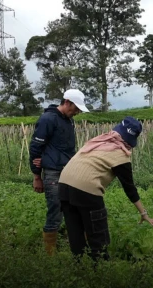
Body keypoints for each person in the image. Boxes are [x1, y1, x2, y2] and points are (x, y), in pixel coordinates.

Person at [57, 116, 153, 262]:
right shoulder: (120, 155)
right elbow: (129, 188)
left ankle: (79, 269)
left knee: (75, 234)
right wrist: (143, 213)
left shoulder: (99, 141)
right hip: (86, 189)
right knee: (99, 238)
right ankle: (102, 271)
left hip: (63, 185)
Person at [29, 89, 89, 256]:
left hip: (69, 171)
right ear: (67, 102)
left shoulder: (69, 121)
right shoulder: (48, 119)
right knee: (55, 211)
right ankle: (50, 255)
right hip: (53, 173)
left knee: (75, 208)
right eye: (75, 108)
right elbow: (35, 147)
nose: (77, 112)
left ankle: (80, 247)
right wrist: (36, 176)